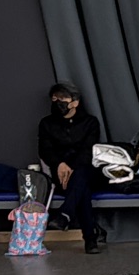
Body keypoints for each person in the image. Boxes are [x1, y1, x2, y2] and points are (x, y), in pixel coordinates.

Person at [37, 81, 104, 254]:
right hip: (60, 176)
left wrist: (71, 167)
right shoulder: (46, 123)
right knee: (82, 189)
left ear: (75, 102)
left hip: (88, 172)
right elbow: (45, 149)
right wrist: (59, 165)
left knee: (81, 176)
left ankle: (65, 214)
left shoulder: (90, 122)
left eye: (63, 98)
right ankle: (90, 239)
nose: (58, 102)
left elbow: (88, 151)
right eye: (55, 98)